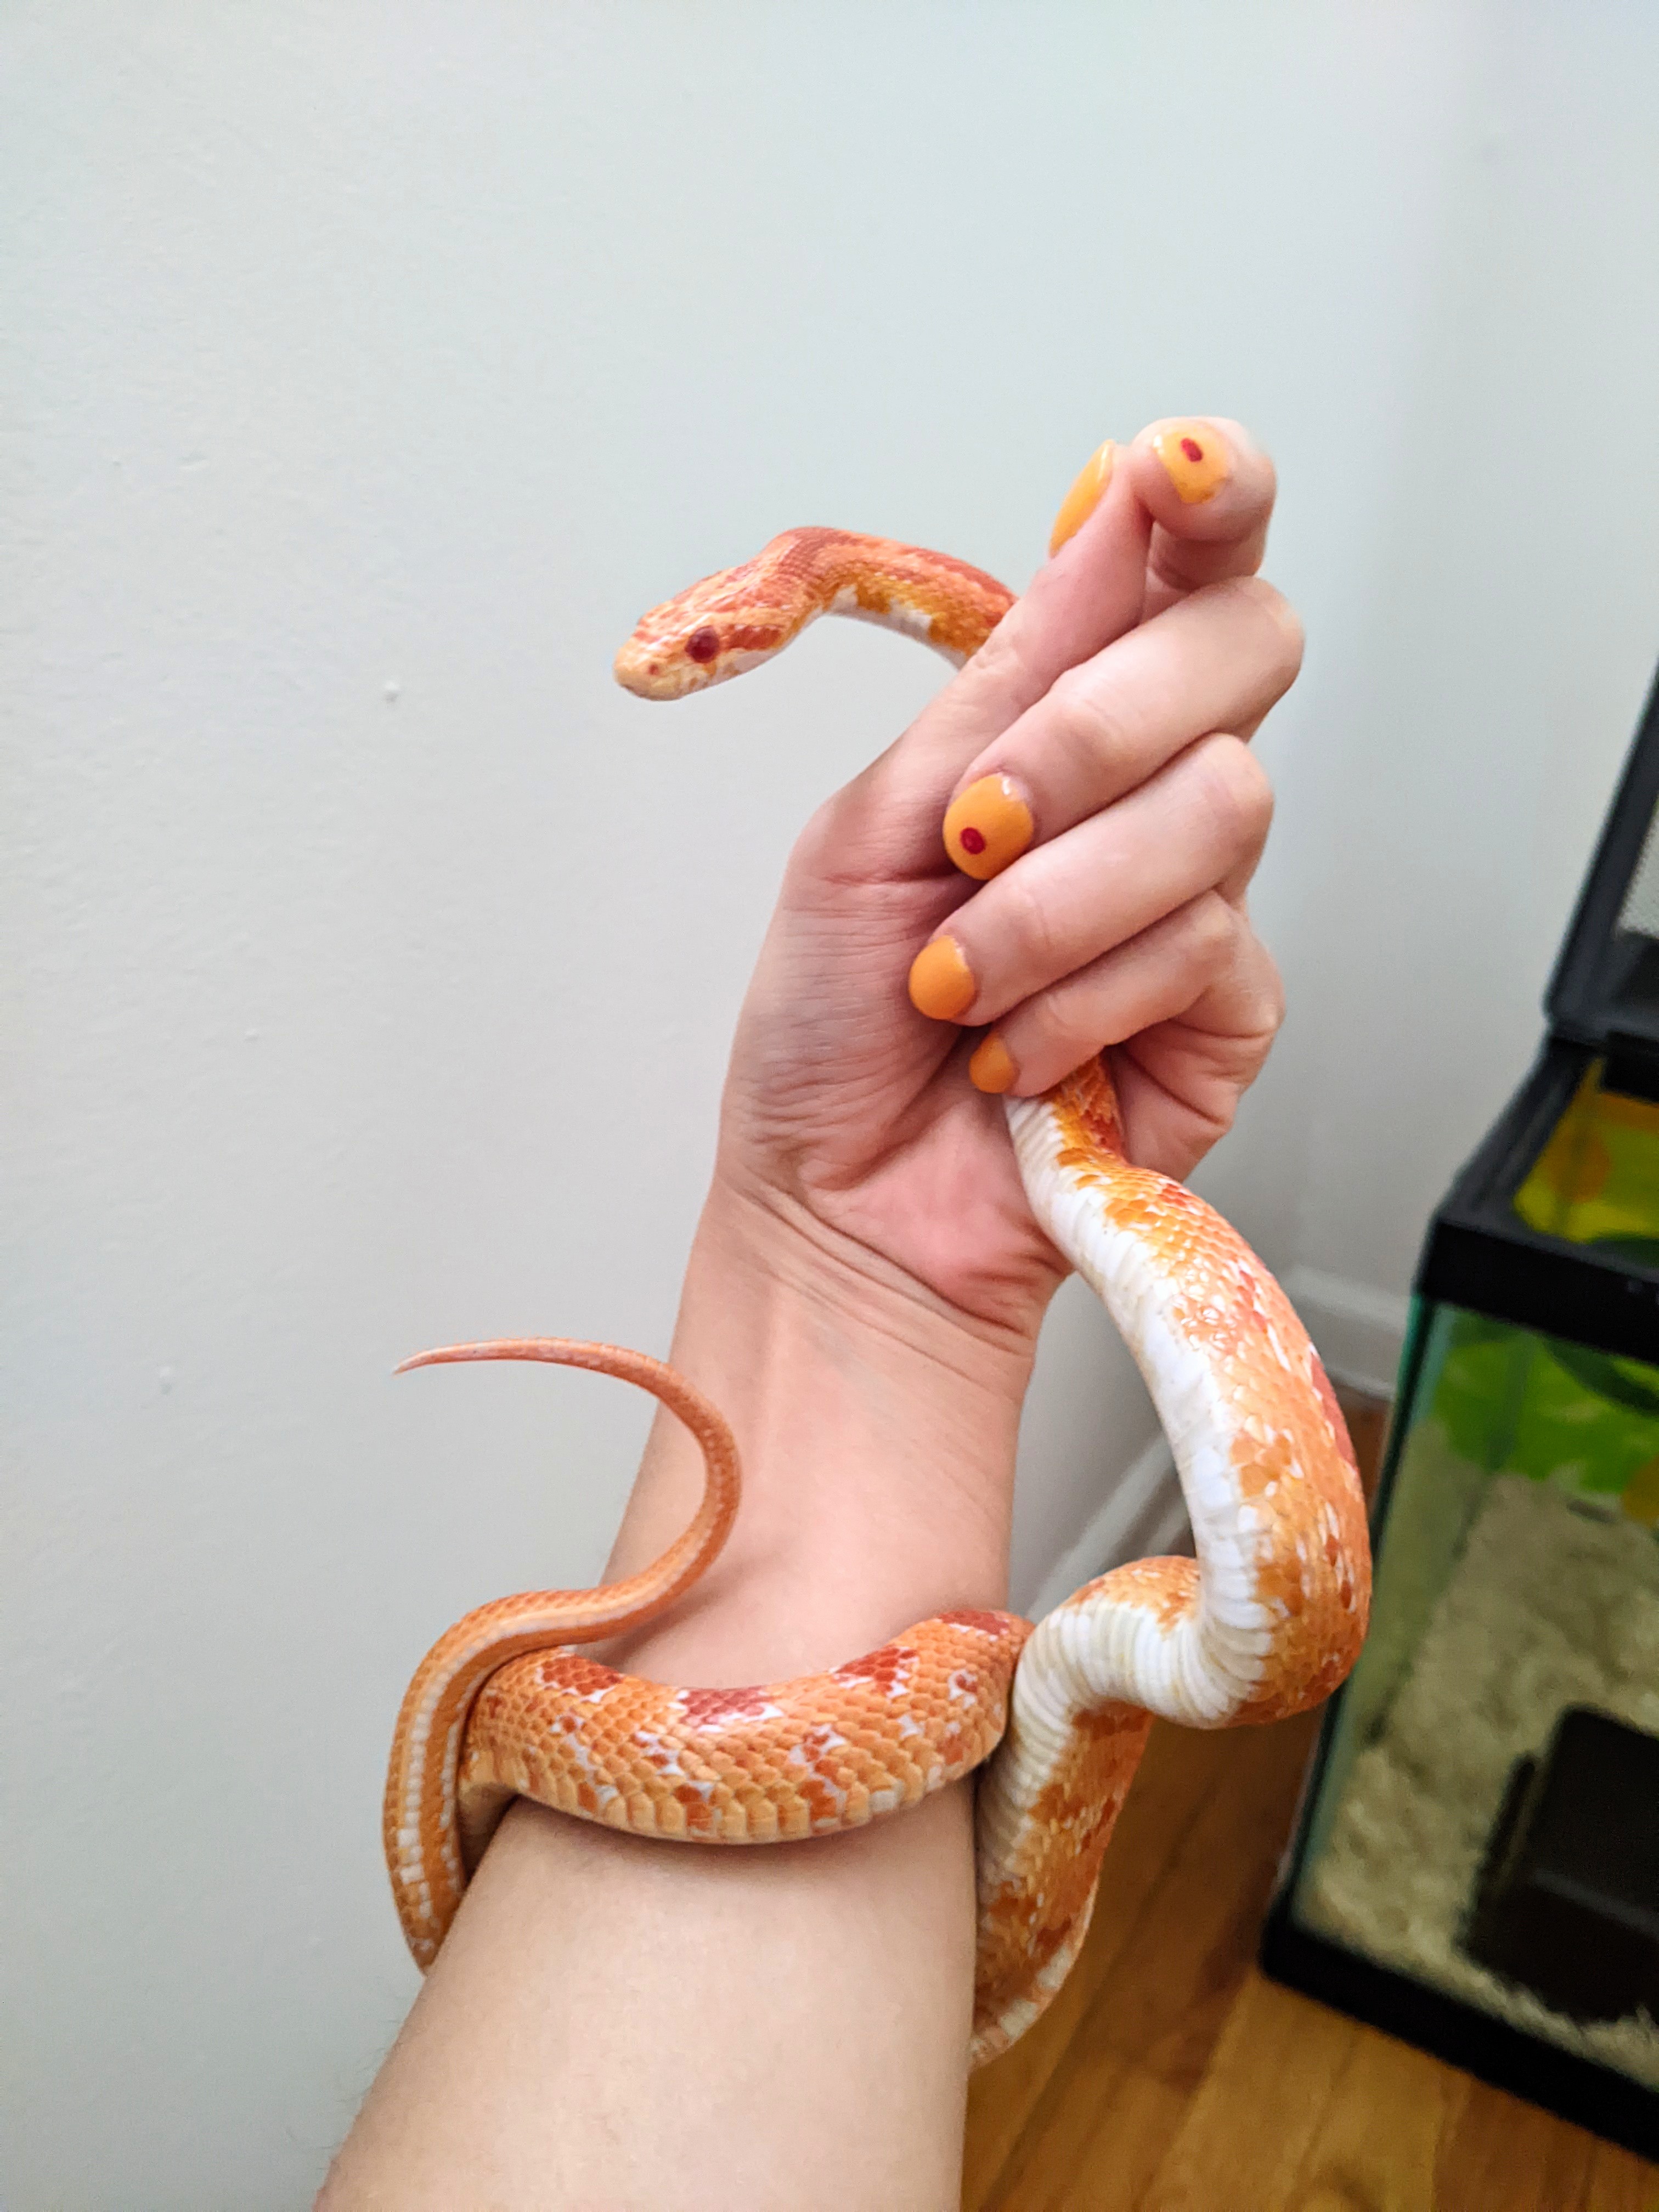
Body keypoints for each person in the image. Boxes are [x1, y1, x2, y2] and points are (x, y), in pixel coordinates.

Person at [317, 419, 1301, 2210]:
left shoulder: (867, 592)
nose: (665, 665)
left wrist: (871, 1274)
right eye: (683, 640)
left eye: (698, 647)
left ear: (774, 617)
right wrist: (833, 1260)